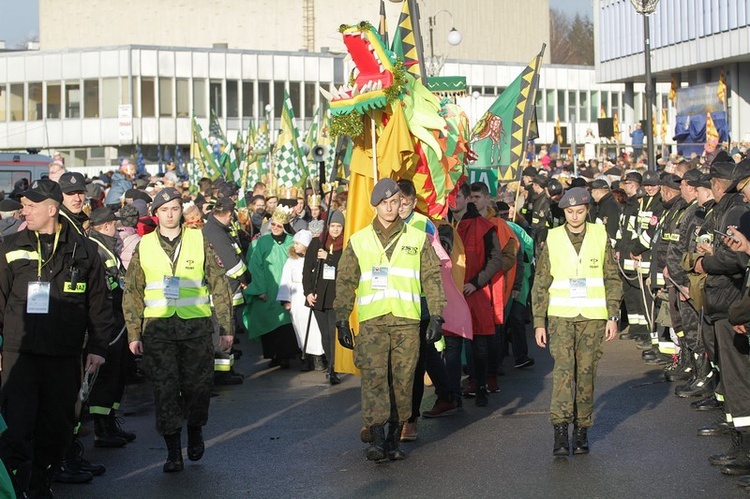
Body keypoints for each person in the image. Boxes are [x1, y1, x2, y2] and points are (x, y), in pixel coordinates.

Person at [0, 179, 113, 497]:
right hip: (19, 354)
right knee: (17, 428)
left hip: (64, 355)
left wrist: (99, 347)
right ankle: (23, 488)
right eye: (23, 204)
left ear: (52, 209)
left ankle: (41, 477)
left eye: (31, 205)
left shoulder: (82, 250)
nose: (24, 210)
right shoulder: (10, 246)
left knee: (58, 429)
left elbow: (99, 302)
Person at [333, 178, 446, 462]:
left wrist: (437, 315)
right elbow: (345, 280)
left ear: (402, 204)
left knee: (403, 380)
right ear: (375, 206)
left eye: (394, 202)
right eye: (384, 203)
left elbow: (432, 278)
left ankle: (394, 437)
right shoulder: (358, 241)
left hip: (407, 321)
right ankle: (377, 437)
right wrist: (342, 318)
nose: (390, 207)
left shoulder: (417, 238)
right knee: (374, 379)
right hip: (373, 322)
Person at [123, 187, 234, 473]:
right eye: (164, 209)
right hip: (158, 331)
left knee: (199, 388)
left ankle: (195, 429)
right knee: (165, 391)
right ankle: (173, 451)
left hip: (195, 328)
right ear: (155, 214)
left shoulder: (199, 239)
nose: (170, 214)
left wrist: (226, 327)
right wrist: (134, 332)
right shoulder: (144, 245)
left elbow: (219, 284)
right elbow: (133, 291)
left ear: (181, 210)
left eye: (174, 208)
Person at [532, 187, 622, 456]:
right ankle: (560, 431)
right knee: (562, 373)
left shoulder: (599, 235)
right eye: (569, 212)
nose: (574, 216)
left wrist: (613, 315)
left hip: (592, 318)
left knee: (586, 374)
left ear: (587, 210)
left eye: (579, 211)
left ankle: (582, 430)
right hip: (561, 317)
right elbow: (541, 282)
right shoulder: (553, 238)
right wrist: (539, 321)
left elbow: (612, 278)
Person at [86, 207, 136, 448]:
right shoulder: (97, 249)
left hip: (117, 321)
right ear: (106, 226)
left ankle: (109, 421)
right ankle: (101, 427)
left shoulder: (106, 247)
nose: (118, 231)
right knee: (106, 378)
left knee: (117, 375)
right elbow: (108, 287)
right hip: (109, 323)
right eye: (115, 226)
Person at [243, 205, 300, 368]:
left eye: (279, 225)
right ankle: (273, 354)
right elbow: (256, 266)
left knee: (285, 323)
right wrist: (259, 289)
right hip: (267, 288)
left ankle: (286, 356)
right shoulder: (262, 242)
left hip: (287, 289)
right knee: (269, 321)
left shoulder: (291, 242)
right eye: (273, 224)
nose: (275, 228)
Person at [302, 210, 345, 385]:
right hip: (319, 294)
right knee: (324, 335)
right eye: (333, 226)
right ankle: (329, 363)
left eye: (339, 226)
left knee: (333, 333)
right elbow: (306, 269)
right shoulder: (317, 243)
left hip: (335, 295)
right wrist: (308, 292)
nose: (335, 230)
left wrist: (330, 258)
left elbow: (345, 268)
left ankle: (334, 367)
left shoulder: (346, 245)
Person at [278, 229, 325, 370]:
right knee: (301, 327)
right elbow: (286, 279)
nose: (295, 246)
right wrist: (286, 299)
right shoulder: (292, 260)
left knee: (316, 328)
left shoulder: (315, 259)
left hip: (312, 296)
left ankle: (318, 356)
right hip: (297, 297)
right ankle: (305, 356)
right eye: (295, 243)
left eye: (298, 243)